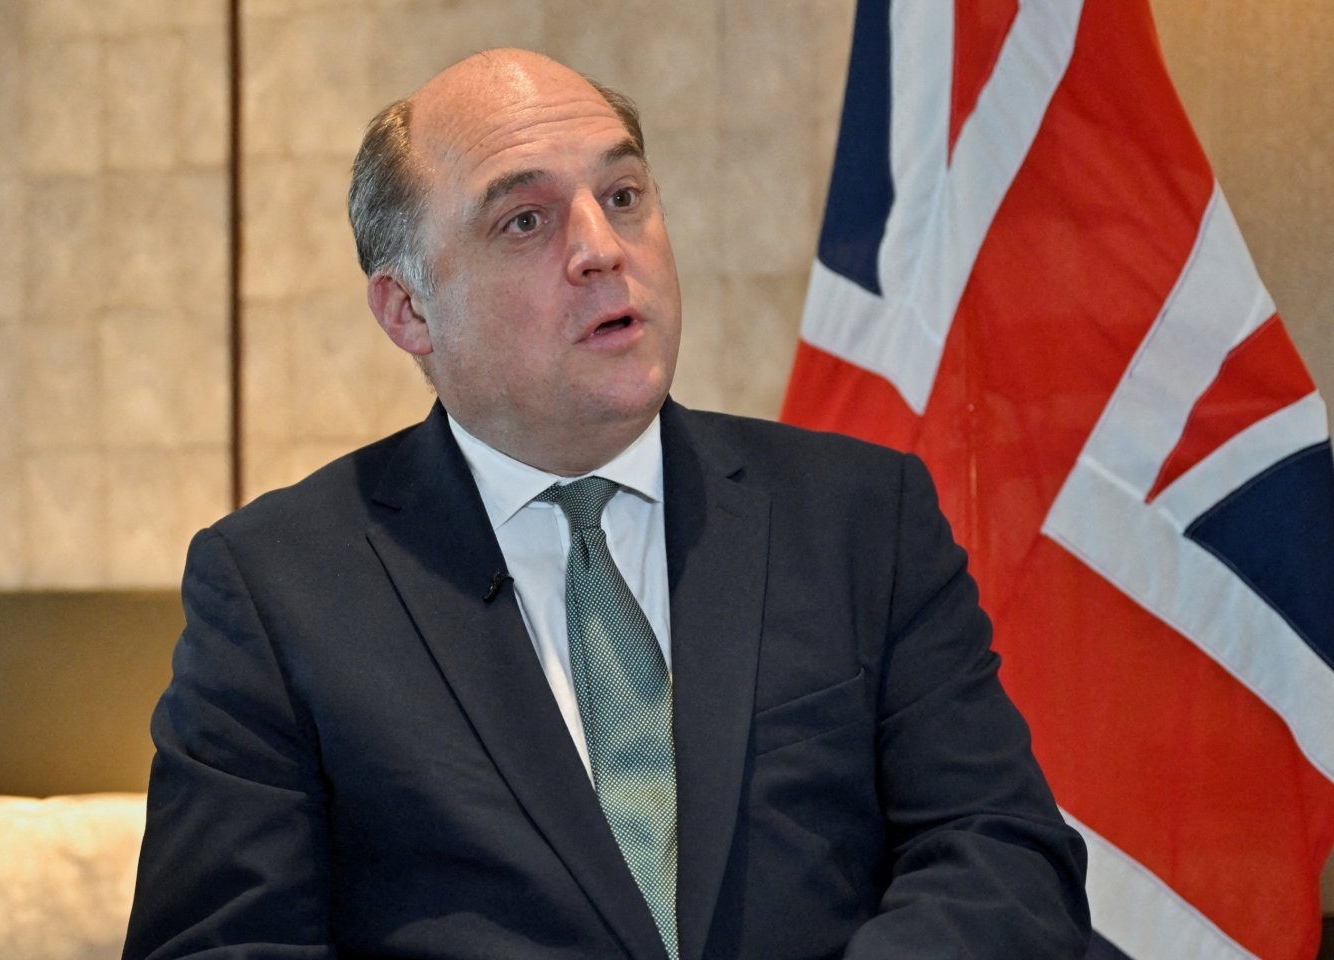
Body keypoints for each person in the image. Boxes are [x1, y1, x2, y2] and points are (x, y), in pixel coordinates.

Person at [123, 49, 1090, 960]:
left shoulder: (860, 517)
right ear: (408, 311)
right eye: (525, 221)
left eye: (623, 197)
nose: (601, 248)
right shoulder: (278, 588)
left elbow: (998, 851)